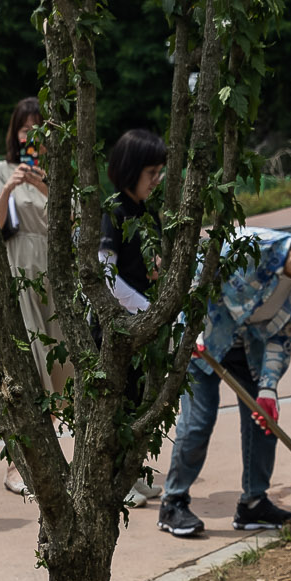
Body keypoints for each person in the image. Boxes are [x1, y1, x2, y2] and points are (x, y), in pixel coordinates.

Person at [158, 207, 291, 539]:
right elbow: (195, 277)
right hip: (204, 341)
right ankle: (173, 502)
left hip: (249, 350)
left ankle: (254, 503)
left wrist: (268, 388)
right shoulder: (248, 247)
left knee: (265, 422)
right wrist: (188, 323)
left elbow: (281, 334)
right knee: (198, 421)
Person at [0, 99, 74, 497]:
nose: (31, 136)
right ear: (15, 133)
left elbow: (73, 224)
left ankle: (47, 459)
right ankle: (17, 464)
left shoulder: (56, 176)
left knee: (61, 366)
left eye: (38, 129)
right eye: (25, 129)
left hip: (54, 276)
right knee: (28, 367)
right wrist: (10, 187)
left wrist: (43, 185)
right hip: (18, 271)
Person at [99, 127, 168, 507]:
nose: (156, 181)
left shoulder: (147, 213)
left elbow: (149, 263)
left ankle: (135, 474)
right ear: (130, 170)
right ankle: (115, 480)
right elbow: (107, 276)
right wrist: (146, 310)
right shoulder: (113, 211)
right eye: (151, 174)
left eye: (160, 173)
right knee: (117, 404)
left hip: (143, 325)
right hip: (118, 328)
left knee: (139, 400)